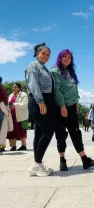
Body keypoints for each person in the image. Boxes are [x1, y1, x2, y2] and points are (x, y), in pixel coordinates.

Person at [51, 49, 94, 171]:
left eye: (69, 57)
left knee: (76, 132)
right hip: (60, 107)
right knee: (60, 134)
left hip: (71, 106)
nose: (67, 59)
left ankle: (84, 160)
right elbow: (57, 90)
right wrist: (62, 106)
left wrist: (75, 102)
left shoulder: (70, 71)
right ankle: (62, 160)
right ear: (60, 57)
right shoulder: (55, 70)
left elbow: (74, 89)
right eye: (64, 57)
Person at [25, 43, 55, 176]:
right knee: (48, 131)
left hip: (45, 102)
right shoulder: (33, 67)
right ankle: (37, 164)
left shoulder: (44, 68)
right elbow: (33, 85)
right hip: (38, 102)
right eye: (43, 54)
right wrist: (40, 101)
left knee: (39, 133)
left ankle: (37, 163)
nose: (46, 56)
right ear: (37, 54)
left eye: (48, 55)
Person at [7, 82, 29, 151]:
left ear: (19, 88)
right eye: (13, 87)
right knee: (12, 132)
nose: (14, 88)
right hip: (12, 116)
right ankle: (13, 146)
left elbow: (25, 104)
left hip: (22, 116)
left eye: (16, 87)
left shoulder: (24, 94)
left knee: (22, 131)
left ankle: (24, 146)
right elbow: (8, 103)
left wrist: (15, 105)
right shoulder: (10, 95)